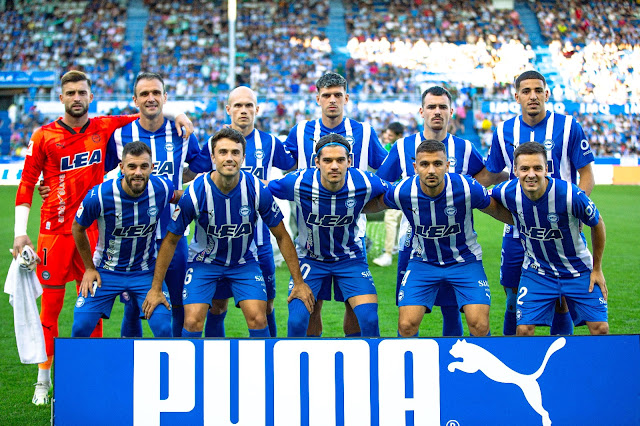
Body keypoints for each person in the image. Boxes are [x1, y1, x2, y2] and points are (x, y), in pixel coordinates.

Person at [12, 70, 192, 405]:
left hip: (92, 235)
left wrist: (176, 112)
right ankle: (43, 378)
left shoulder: (102, 127)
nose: (77, 98)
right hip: (53, 232)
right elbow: (26, 183)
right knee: (50, 308)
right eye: (70, 93)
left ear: (90, 96)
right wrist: (19, 232)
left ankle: (90, 374)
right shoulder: (43, 137)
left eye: (82, 92)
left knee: (91, 314)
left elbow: (146, 109)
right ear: (61, 97)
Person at [141, 128, 313, 337]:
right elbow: (170, 240)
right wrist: (156, 288)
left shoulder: (256, 189)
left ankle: (263, 368)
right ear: (213, 157)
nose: (229, 158)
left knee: (259, 317)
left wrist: (299, 282)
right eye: (223, 152)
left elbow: (282, 235)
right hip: (204, 263)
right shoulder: (197, 190)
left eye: (235, 152)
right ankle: (192, 368)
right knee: (193, 319)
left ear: (243, 157)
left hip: (243, 263)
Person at [375, 86, 507, 337]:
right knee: (408, 316)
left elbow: (480, 180)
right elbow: (381, 184)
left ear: (451, 112)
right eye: (432, 107)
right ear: (421, 111)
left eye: (443, 107)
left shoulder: (465, 148)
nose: (437, 112)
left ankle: (450, 363)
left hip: (457, 241)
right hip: (414, 243)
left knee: (451, 309)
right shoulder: (403, 148)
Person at [485, 70, 595, 336]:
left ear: (546, 94)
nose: (532, 96)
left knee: (561, 301)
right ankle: (512, 354)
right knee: (512, 297)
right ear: (517, 96)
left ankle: (561, 358)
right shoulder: (503, 131)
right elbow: (492, 173)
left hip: (560, 230)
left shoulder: (569, 127)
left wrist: (577, 215)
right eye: (526, 91)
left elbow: (587, 174)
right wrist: (460, 185)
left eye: (538, 90)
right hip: (517, 231)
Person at [103, 72, 208, 338]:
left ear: (165, 97)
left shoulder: (181, 133)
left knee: (178, 303)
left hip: (173, 234)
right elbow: (100, 175)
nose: (151, 98)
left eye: (156, 93)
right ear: (135, 99)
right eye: (145, 94)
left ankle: (176, 364)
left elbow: (199, 167)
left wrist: (181, 186)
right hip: (134, 238)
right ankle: (132, 364)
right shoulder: (119, 136)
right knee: (133, 307)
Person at [284, 72, 388, 337]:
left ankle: (356, 357)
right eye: (327, 95)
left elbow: (386, 173)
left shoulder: (364, 132)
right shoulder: (300, 132)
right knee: (311, 307)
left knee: (356, 309)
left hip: (351, 238)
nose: (332, 100)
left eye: (338, 95)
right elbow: (281, 167)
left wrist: (364, 202)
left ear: (346, 98)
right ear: (317, 98)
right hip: (311, 241)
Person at [269, 133, 389, 337]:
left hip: (350, 259)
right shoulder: (298, 182)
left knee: (369, 318)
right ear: (317, 162)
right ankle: (302, 364)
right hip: (311, 259)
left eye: (340, 160)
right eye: (327, 160)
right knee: (298, 320)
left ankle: (363, 364)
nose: (334, 166)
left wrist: (366, 207)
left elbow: (394, 195)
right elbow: (264, 188)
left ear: (349, 161)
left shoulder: (365, 181)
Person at [201, 86, 296, 338]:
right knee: (217, 305)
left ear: (257, 109)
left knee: (266, 304)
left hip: (259, 242)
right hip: (219, 243)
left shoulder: (271, 142)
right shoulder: (213, 143)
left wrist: (273, 187)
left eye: (249, 105)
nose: (244, 110)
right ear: (228, 109)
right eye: (238, 105)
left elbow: (294, 165)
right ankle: (214, 356)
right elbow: (193, 171)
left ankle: (271, 355)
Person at [490, 142, 608, 335]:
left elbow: (598, 223)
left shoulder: (571, 195)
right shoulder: (505, 191)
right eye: (524, 168)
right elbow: (486, 201)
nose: (531, 174)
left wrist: (597, 269)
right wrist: (515, 220)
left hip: (578, 270)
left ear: (547, 169)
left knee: (600, 328)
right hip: (537, 272)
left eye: (537, 168)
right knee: (524, 329)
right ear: (515, 170)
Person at [71, 142, 178, 338]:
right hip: (105, 272)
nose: (138, 172)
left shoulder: (162, 188)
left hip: (145, 272)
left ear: (152, 168)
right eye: (132, 166)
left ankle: (162, 368)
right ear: (121, 168)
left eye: (144, 166)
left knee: (163, 328)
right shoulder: (100, 196)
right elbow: (78, 228)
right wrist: (89, 268)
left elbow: (179, 197)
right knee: (80, 326)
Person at [372, 122, 405, 268]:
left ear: (399, 136)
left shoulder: (404, 149)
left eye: (390, 136)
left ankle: (388, 254)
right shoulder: (386, 148)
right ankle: (396, 247)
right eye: (386, 135)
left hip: (401, 191)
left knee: (391, 219)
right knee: (396, 221)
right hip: (392, 191)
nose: (387, 138)